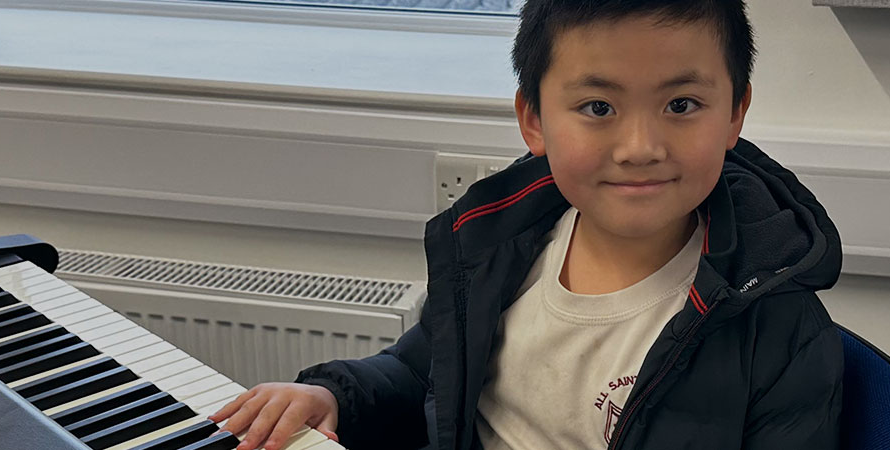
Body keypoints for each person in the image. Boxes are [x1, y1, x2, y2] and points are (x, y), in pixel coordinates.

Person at [212, 1, 845, 448]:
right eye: (598, 107)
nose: (640, 146)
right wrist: (334, 398)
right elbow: (417, 372)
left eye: (682, 105)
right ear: (534, 120)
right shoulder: (499, 248)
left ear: (736, 112)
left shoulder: (779, 332)